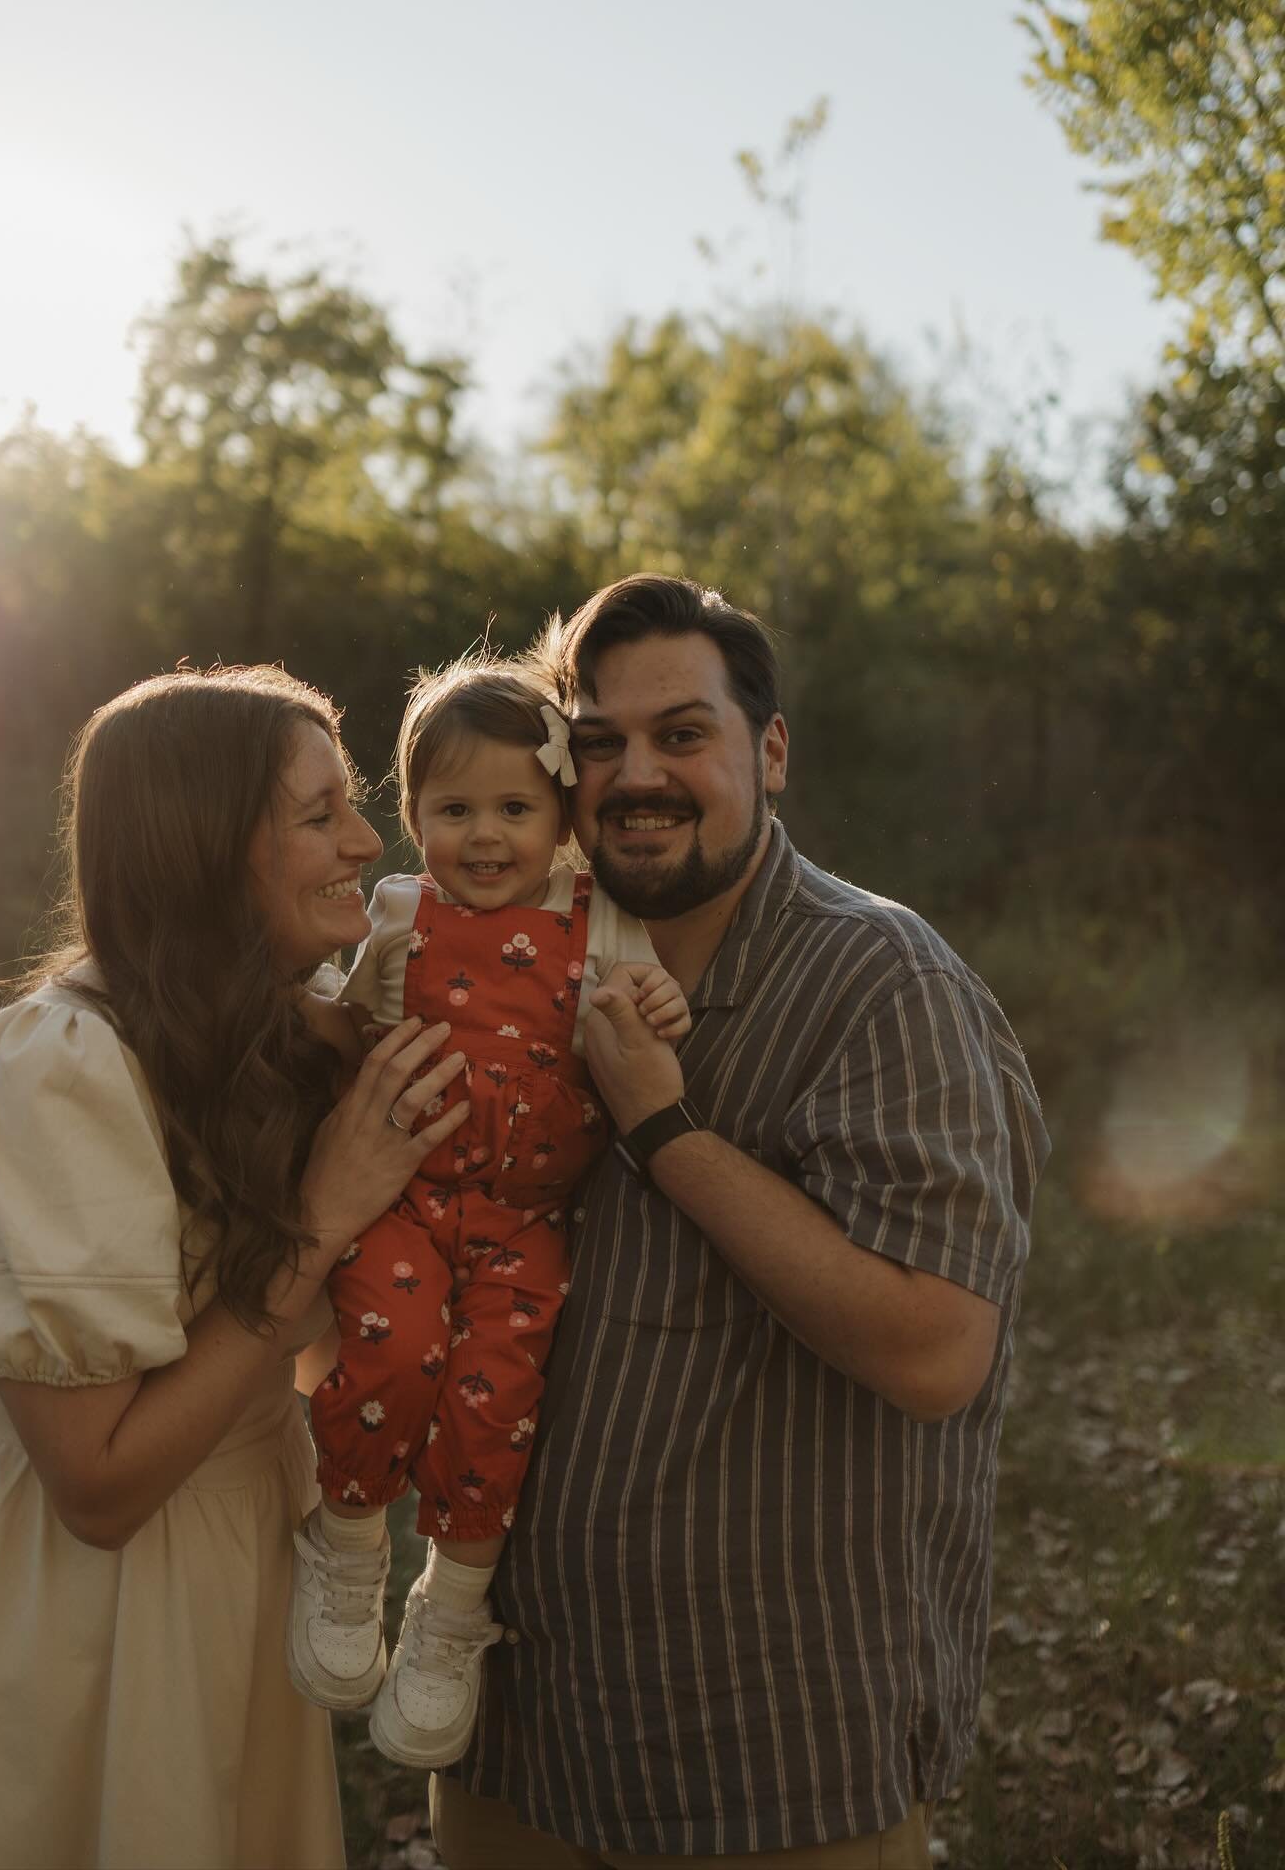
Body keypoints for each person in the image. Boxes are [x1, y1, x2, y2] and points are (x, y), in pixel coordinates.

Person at [434, 576, 1051, 1870]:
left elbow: (937, 1351)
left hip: (775, 1758)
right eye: (598, 741)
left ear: (769, 749)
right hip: (526, 1732)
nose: (637, 773)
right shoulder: (529, 953)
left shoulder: (884, 983)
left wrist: (669, 1131)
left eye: (683, 732)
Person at [0, 664, 474, 1870]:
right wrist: (323, 1213)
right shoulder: (63, 1067)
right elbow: (100, 1485)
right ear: (205, 846)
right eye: (317, 813)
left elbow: (326, 1361)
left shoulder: (271, 1027)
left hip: (229, 1553)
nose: (363, 839)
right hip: (56, 1598)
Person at [288, 654, 689, 1773]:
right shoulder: (402, 915)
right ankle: (351, 1546)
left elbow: (652, 1004)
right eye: (453, 808)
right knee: (390, 1348)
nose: (484, 834)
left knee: (496, 1396)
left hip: (526, 1215)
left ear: (561, 816)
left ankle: (451, 1608)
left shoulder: (596, 916)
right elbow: (342, 1016)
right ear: (412, 816)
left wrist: (658, 1001)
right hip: (406, 1193)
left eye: (515, 807)